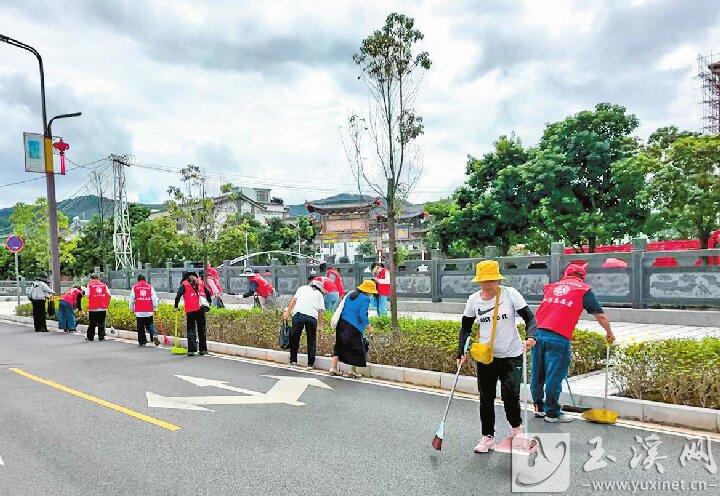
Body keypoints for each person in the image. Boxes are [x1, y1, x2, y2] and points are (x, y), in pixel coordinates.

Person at [456, 260, 538, 454]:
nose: (487, 284)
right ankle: (487, 437)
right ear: (478, 281)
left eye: (491, 280)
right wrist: (460, 351)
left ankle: (516, 431)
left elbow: (530, 318)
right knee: (486, 397)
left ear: (498, 279)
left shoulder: (510, 294)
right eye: (484, 281)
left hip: (511, 354)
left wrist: (531, 336)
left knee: (511, 395)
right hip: (486, 356)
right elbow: (466, 327)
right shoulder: (473, 300)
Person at [531, 263, 615, 423]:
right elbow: (601, 316)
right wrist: (609, 333)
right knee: (554, 376)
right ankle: (552, 413)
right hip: (558, 337)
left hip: (537, 334)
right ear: (582, 277)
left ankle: (539, 408)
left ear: (566, 274)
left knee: (538, 373)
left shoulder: (551, 287)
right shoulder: (584, 290)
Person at [328, 279, 377, 378]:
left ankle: (333, 368)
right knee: (357, 348)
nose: (372, 294)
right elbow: (362, 315)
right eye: (371, 292)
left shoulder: (350, 295)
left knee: (339, 346)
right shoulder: (365, 299)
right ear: (367, 291)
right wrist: (369, 327)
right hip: (353, 327)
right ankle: (352, 371)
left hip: (342, 323)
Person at [282, 277, 326, 369]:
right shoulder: (319, 295)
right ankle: (310, 364)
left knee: (295, 338)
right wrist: (320, 326)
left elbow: (294, 301)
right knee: (311, 340)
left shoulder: (302, 288)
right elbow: (321, 312)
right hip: (312, 317)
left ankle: (293, 361)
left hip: (299, 315)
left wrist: (287, 312)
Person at [175, 272, 212, 356]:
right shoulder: (201, 282)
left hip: (190, 310)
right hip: (201, 309)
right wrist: (209, 303)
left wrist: (176, 306)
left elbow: (178, 296)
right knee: (202, 329)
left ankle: (192, 350)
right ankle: (203, 349)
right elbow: (208, 293)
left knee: (191, 329)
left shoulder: (184, 284)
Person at [131, 274, 160, 347]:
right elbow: (154, 299)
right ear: (145, 279)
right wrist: (155, 308)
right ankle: (154, 335)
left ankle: (142, 342)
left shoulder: (134, 287)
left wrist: (131, 309)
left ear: (138, 279)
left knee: (140, 327)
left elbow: (131, 300)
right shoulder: (150, 287)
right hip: (148, 310)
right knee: (150, 325)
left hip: (139, 311)